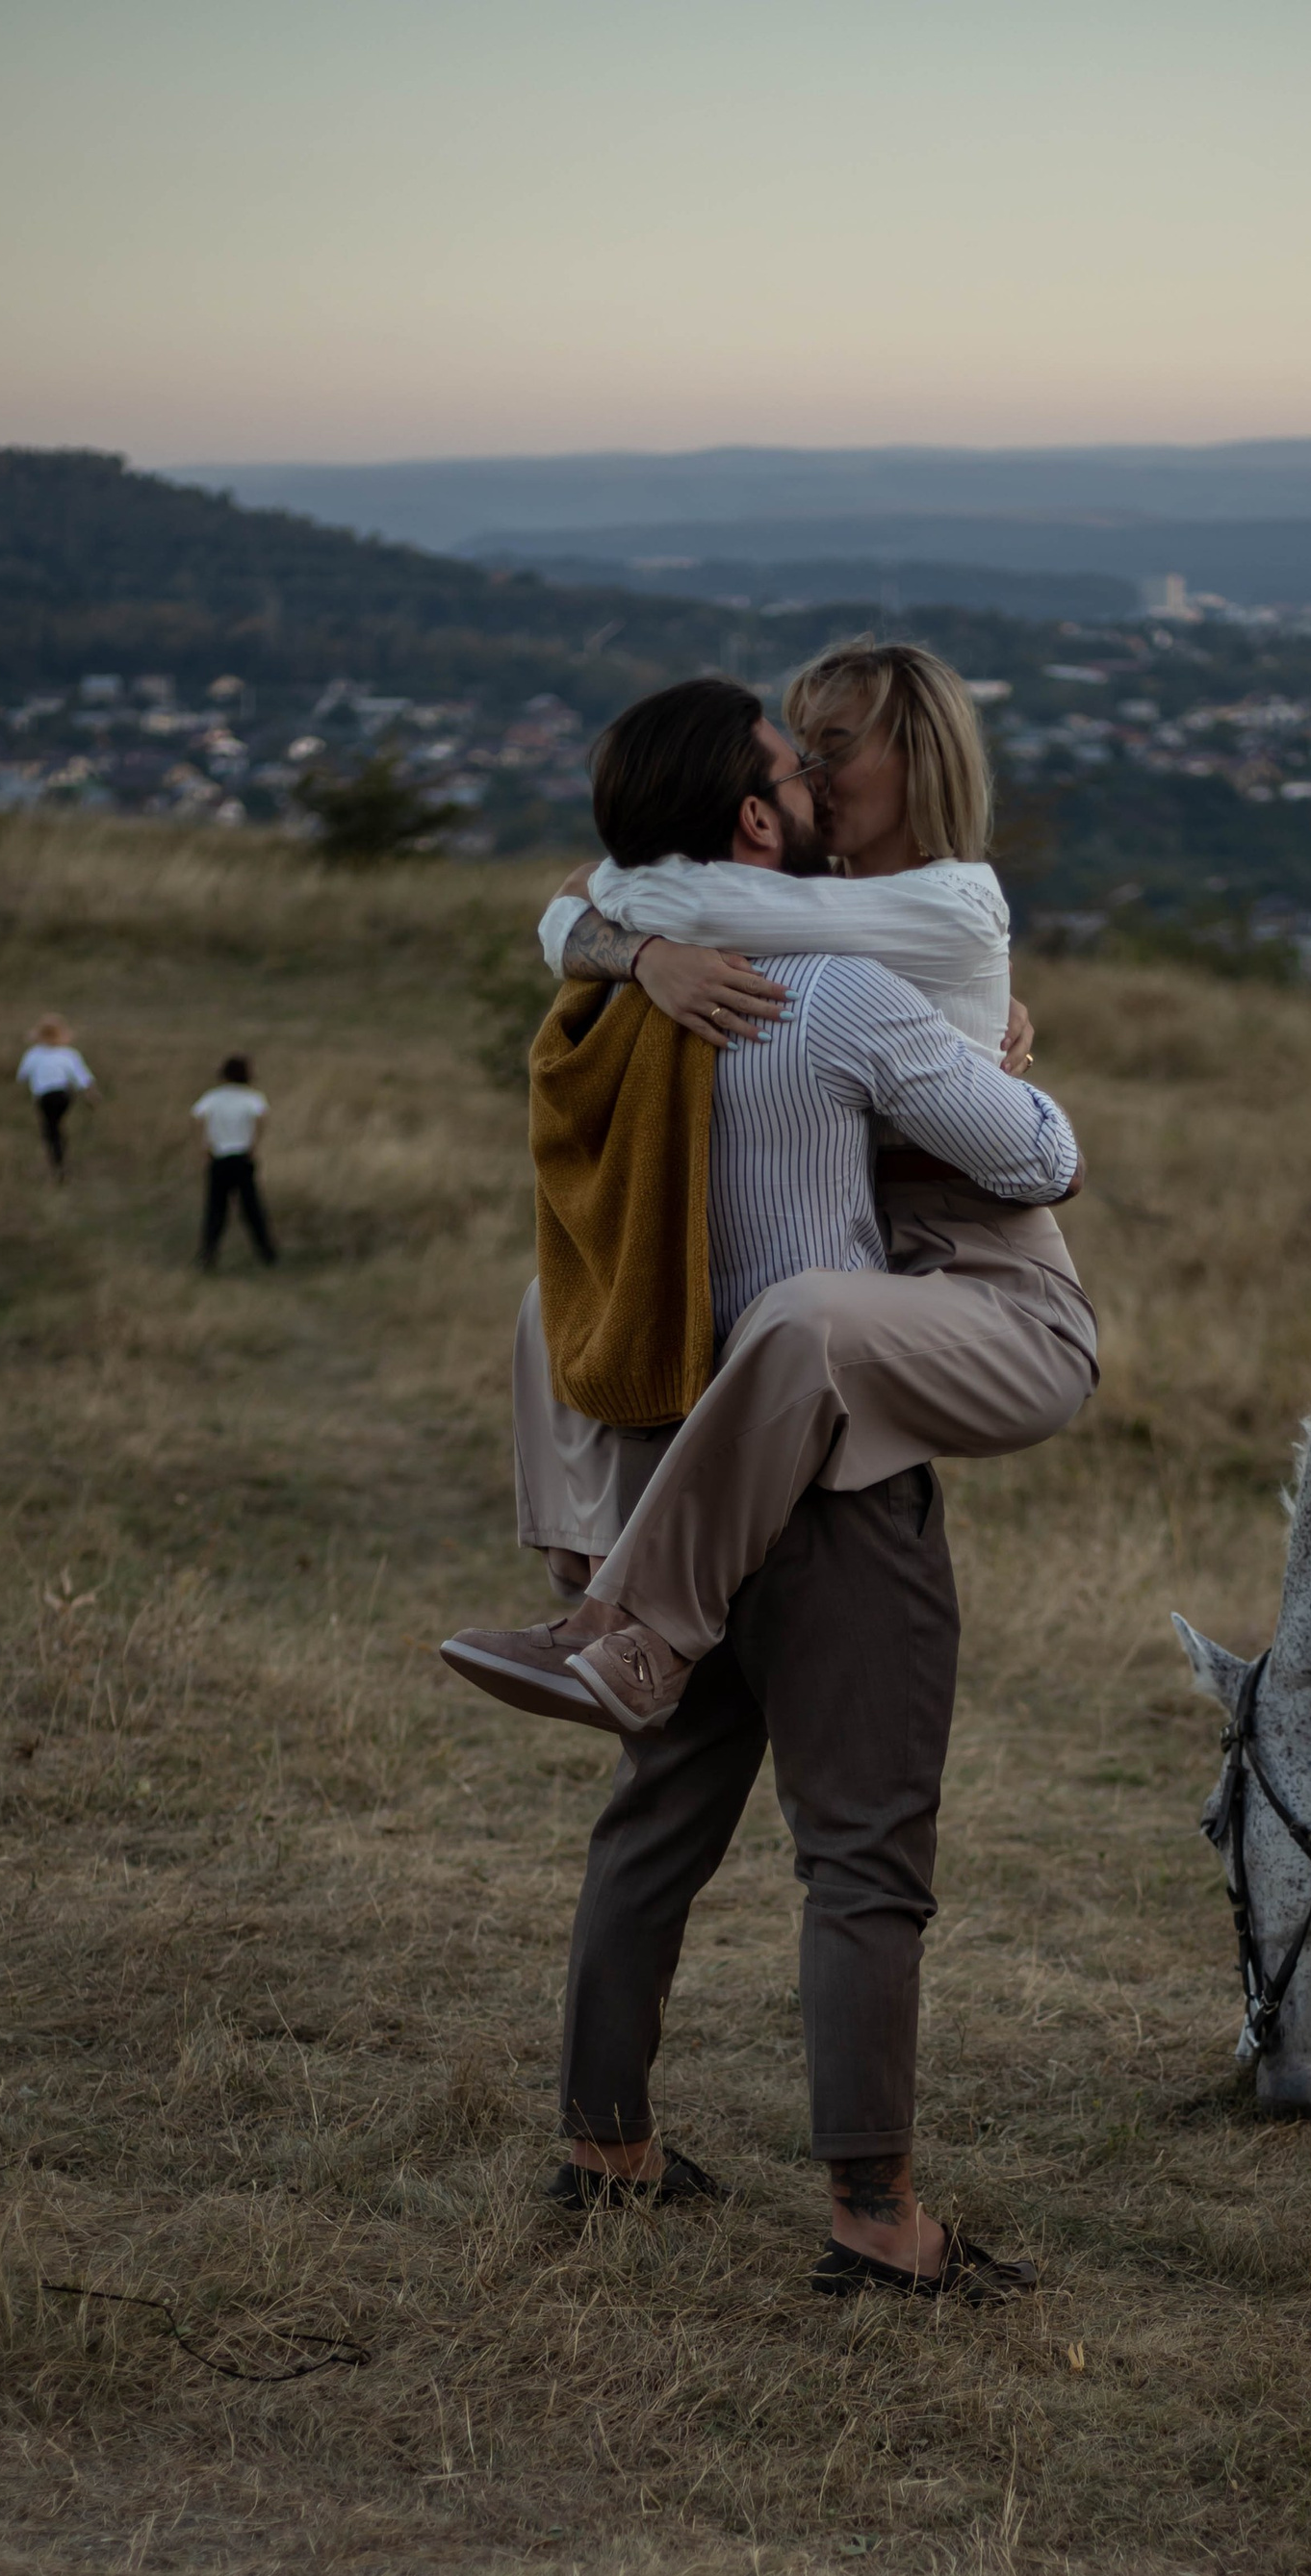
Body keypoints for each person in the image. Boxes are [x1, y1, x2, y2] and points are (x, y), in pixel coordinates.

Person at [450, 676, 1072, 2297]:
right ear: (751, 818)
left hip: (665, 1456)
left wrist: (636, 946)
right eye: (791, 772)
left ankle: (605, 2141)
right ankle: (877, 2214)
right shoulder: (844, 993)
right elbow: (1031, 1164)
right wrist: (1012, 1064)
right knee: (862, 1843)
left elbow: (571, 936)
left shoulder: (607, 1003)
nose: (807, 789)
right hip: (830, 1475)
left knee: (658, 1806)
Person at [448, 640, 1093, 1737]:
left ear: (919, 754)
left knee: (802, 1319)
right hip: (877, 1250)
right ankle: (586, 1563)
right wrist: (641, 956)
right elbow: (575, 903)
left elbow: (598, 901)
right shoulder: (820, 897)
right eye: (804, 751)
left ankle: (635, 1625)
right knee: (574, 1273)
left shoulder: (950, 903)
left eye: (837, 746)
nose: (815, 774)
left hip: (976, 1243)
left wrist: (631, 944)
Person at [193, 1054, 278, 1269]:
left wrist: (205, 1146)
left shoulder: (212, 1097)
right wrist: (254, 1146)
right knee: (252, 1210)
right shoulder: (252, 1097)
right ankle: (267, 1254)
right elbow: (260, 1120)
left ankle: (208, 1255)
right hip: (242, 1157)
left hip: (218, 1157)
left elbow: (198, 1117)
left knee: (215, 1210)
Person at [16, 1015, 94, 1180]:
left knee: (50, 1128)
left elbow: (21, 1076)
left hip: (44, 1097)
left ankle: (58, 1164)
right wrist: (91, 1095)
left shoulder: (33, 1054)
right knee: (57, 1125)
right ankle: (60, 1159)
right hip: (64, 1096)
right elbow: (82, 1077)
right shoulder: (69, 1054)